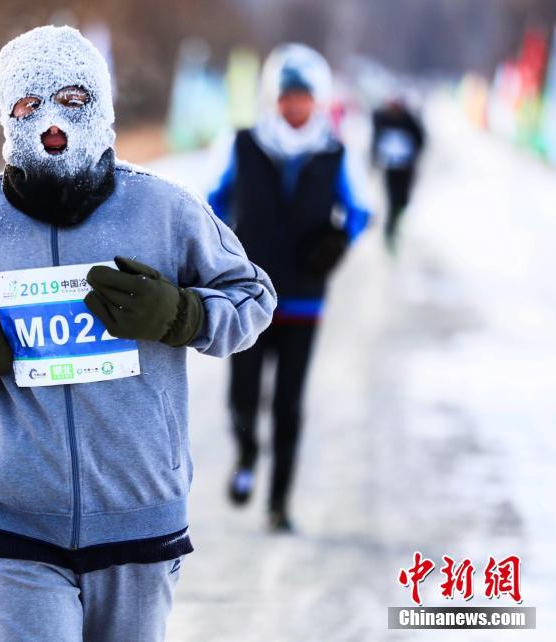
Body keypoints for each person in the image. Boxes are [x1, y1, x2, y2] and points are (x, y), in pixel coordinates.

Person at [0, 26, 275, 641]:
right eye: (29, 104)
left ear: (101, 106)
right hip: (12, 522)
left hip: (139, 517)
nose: (51, 122)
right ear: (6, 117)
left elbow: (252, 297)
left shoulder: (164, 209)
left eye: (72, 99)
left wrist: (181, 315)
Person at [208, 43, 370, 532]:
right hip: (248, 296)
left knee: (288, 402)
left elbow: (360, 210)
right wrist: (224, 250)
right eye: (285, 96)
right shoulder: (243, 144)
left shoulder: (334, 151)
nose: (294, 105)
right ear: (272, 98)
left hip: (303, 296)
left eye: (302, 96)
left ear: (317, 100)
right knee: (242, 393)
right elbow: (211, 203)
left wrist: (338, 241)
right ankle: (246, 454)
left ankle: (279, 502)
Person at [371, 95, 425, 249]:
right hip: (390, 167)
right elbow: (376, 140)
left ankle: (397, 222)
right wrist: (376, 158)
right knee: (392, 198)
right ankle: (390, 229)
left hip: (406, 168)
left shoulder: (409, 121)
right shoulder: (383, 119)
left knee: (404, 199)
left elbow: (421, 140)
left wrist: (412, 155)